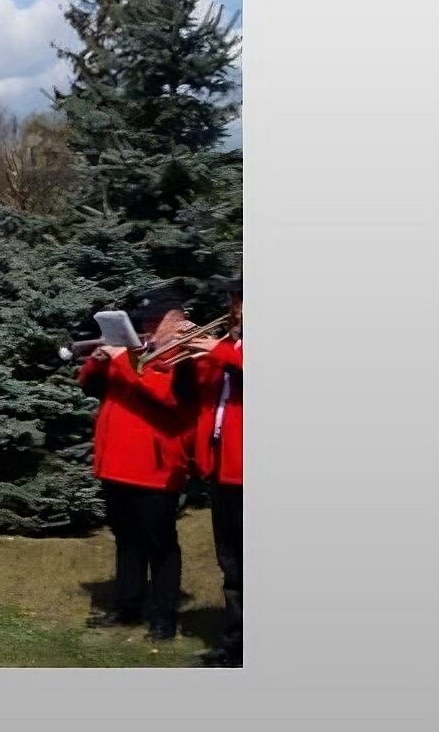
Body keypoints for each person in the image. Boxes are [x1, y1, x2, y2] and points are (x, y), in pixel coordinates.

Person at [77, 283, 195, 641]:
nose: (149, 326)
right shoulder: (135, 351)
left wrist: (123, 360)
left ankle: (163, 614)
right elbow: (91, 386)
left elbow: (166, 396)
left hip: (155, 466)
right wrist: (96, 364)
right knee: (126, 538)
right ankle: (128, 604)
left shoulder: (185, 354)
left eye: (156, 319)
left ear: (177, 320)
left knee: (159, 542)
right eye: (144, 319)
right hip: (117, 462)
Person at [187, 278, 243, 667]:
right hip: (224, 468)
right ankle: (235, 644)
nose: (234, 308)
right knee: (232, 562)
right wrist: (192, 351)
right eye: (234, 301)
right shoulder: (233, 347)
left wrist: (218, 350)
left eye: (239, 301)